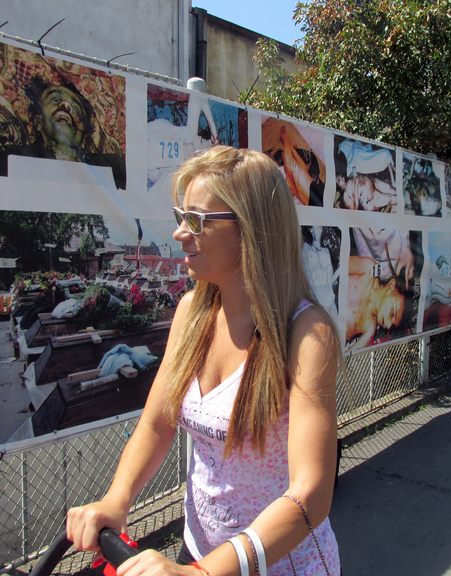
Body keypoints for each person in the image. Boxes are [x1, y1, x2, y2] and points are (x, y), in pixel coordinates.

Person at [66, 145, 341, 576]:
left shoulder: (307, 334)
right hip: (198, 551)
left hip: (281, 566)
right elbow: (157, 424)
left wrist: (202, 573)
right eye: (181, 215)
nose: (179, 233)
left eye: (196, 219)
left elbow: (311, 494)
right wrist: (117, 500)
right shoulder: (191, 313)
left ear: (250, 228)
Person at [0, 75, 126, 189]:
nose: (66, 106)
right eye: (55, 100)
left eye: (76, 108)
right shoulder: (11, 157)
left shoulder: (113, 166)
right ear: (38, 121)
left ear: (84, 135)